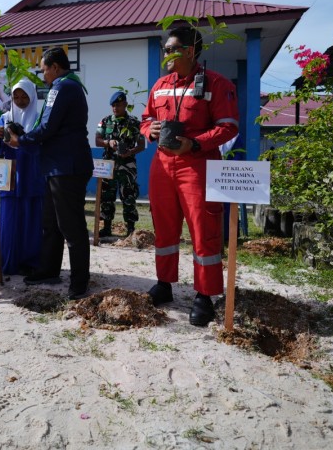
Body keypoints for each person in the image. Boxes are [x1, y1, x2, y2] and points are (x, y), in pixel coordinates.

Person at [140, 25, 240, 327]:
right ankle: (164, 283)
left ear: (191, 51)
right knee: (165, 227)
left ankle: (204, 295)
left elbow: (229, 126)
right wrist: (149, 130)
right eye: (165, 50)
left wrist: (195, 143)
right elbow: (146, 119)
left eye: (172, 49)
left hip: (197, 165)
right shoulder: (159, 85)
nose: (167, 54)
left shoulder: (216, 84)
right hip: (162, 165)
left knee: (203, 228)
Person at [7, 48, 93, 299]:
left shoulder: (62, 87)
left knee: (71, 226)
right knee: (51, 223)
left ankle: (79, 282)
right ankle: (49, 269)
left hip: (66, 167)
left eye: (44, 69)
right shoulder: (69, 86)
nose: (42, 75)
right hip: (57, 165)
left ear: (55, 67)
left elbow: (47, 126)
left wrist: (22, 140)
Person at [0, 79, 45, 275]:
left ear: (32, 97)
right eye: (16, 96)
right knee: (9, 222)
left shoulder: (39, 119)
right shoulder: (4, 118)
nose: (20, 101)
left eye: (24, 97)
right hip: (11, 178)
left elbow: (42, 146)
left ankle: (30, 265)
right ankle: (8, 262)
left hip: (32, 177)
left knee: (31, 223)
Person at [95, 91, 144, 237]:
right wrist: (108, 142)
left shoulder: (134, 123)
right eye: (113, 105)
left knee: (128, 196)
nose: (115, 108)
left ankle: (130, 228)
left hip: (127, 166)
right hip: (108, 164)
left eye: (118, 105)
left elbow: (141, 144)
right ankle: (107, 227)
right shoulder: (105, 121)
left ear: (126, 105)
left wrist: (130, 152)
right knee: (106, 196)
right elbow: (97, 140)